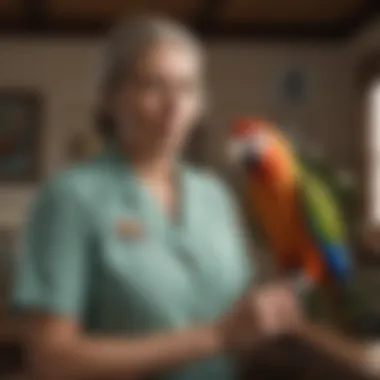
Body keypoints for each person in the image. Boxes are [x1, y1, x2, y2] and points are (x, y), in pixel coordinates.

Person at [10, 15, 301, 380]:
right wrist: (216, 337)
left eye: (188, 88)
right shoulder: (68, 199)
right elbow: (51, 358)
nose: (174, 105)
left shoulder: (215, 196)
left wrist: (276, 314)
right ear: (109, 97)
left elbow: (240, 321)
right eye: (152, 85)